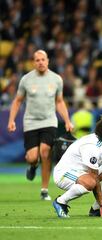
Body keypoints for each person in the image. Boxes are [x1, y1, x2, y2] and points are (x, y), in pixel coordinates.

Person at [7, 50, 73, 201]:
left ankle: (44, 189)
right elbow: (17, 101)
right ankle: (32, 165)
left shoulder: (56, 79)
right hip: (31, 122)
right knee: (32, 157)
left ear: (48, 61)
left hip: (49, 121)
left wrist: (68, 121)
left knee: (45, 152)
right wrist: (11, 120)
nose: (41, 62)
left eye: (43, 59)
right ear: (33, 62)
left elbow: (59, 101)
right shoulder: (26, 79)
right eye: (37, 60)